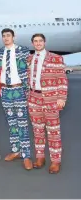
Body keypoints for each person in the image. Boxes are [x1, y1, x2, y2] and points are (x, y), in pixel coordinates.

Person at [28, 33, 68, 174]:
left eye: (40, 41)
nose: (38, 43)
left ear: (44, 42)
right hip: (34, 99)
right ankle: (40, 158)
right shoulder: (30, 59)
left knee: (53, 132)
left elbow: (62, 80)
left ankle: (55, 161)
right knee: (37, 130)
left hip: (51, 100)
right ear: (33, 43)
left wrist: (61, 98)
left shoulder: (56, 58)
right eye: (35, 41)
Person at [0, 28, 33, 170]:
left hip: (19, 90)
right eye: (4, 36)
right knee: (11, 123)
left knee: (22, 123)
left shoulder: (23, 50)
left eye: (8, 36)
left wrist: (28, 89)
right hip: (5, 90)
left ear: (13, 36)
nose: (6, 38)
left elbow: (28, 68)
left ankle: (26, 155)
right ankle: (15, 151)